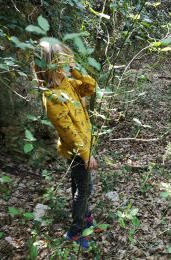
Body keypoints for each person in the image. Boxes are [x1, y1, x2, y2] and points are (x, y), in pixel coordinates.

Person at [35, 40, 98, 249]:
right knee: (85, 189)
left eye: (66, 61)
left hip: (83, 145)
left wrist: (75, 71)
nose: (66, 65)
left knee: (79, 186)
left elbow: (90, 87)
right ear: (49, 66)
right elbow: (67, 131)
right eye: (61, 62)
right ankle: (75, 230)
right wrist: (86, 155)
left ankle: (85, 215)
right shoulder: (52, 96)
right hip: (78, 150)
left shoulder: (68, 83)